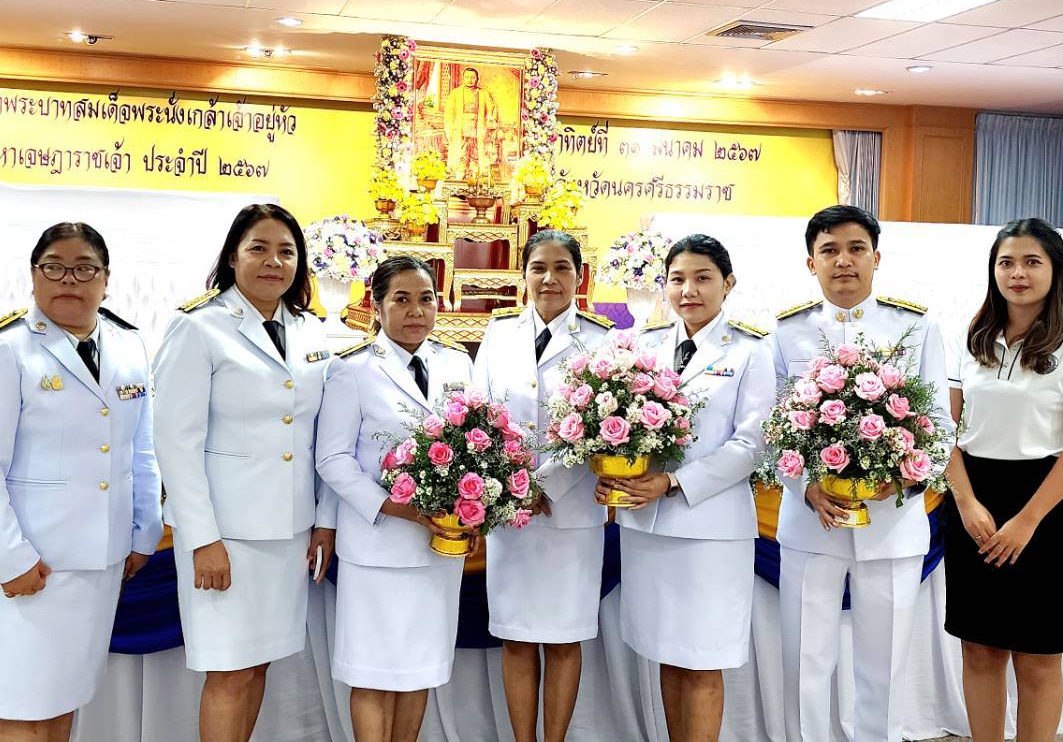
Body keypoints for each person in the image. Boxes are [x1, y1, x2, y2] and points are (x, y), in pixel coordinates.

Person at [0, 222, 162, 742]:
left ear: (106, 279)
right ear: (33, 276)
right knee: (22, 709)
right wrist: (10, 557)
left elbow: (140, 449)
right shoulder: (4, 348)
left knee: (63, 702)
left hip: (101, 561)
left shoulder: (128, 345)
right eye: (55, 267)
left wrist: (144, 532)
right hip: (31, 561)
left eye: (85, 268)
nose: (69, 279)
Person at [153, 204, 339, 742]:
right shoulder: (198, 327)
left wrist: (322, 521)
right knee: (229, 671)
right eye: (258, 248)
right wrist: (203, 539)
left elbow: (319, 437)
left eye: (286, 251)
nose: (273, 261)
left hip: (288, 531)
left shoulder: (310, 331)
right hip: (226, 535)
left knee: (259, 666)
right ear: (233, 257)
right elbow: (176, 443)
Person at [771, 206, 947, 742]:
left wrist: (908, 478)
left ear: (876, 257)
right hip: (812, 523)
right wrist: (805, 486)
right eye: (829, 250)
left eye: (855, 249)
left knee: (884, 667)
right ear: (811, 262)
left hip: (891, 523)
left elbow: (941, 422)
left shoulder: (915, 326)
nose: (843, 261)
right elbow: (771, 427)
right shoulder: (787, 331)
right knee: (804, 663)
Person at [595, 234, 773, 742]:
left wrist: (673, 481)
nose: (688, 290)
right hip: (647, 529)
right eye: (677, 279)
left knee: (702, 659)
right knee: (666, 653)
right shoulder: (642, 346)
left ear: (727, 284)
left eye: (702, 278)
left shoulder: (751, 350)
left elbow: (752, 444)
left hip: (709, 532)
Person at [943, 218, 1063, 742]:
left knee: (1038, 657)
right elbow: (943, 430)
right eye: (1006, 263)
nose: (1018, 273)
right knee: (980, 649)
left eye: (1032, 262)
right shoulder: (971, 339)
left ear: (1056, 271)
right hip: (974, 500)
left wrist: (1028, 520)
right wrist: (965, 502)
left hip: (1046, 507)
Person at [316, 256, 475, 742]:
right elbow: (333, 459)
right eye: (401, 300)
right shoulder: (352, 369)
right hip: (378, 547)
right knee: (372, 672)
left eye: (426, 299)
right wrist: (398, 508)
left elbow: (477, 442)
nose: (415, 311)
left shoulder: (457, 363)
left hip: (440, 548)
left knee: (419, 669)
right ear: (376, 306)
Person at [472, 230, 614, 742]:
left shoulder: (603, 341)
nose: (550, 278)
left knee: (563, 639)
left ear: (580, 275)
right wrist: (511, 484)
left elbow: (603, 429)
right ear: (524, 275)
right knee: (514, 637)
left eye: (561, 268)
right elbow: (479, 415)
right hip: (509, 513)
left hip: (571, 514)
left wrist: (543, 483)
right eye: (539, 268)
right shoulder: (499, 333)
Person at [443, 66, 499, 181]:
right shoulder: (455, 93)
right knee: (461, 152)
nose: (470, 80)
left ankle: (474, 175)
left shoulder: (484, 93)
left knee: (475, 152)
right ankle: (460, 174)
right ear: (463, 78)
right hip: (460, 127)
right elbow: (449, 113)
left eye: (472, 77)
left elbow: (492, 109)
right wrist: (449, 128)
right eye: (467, 77)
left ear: (477, 79)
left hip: (478, 127)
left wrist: (491, 119)